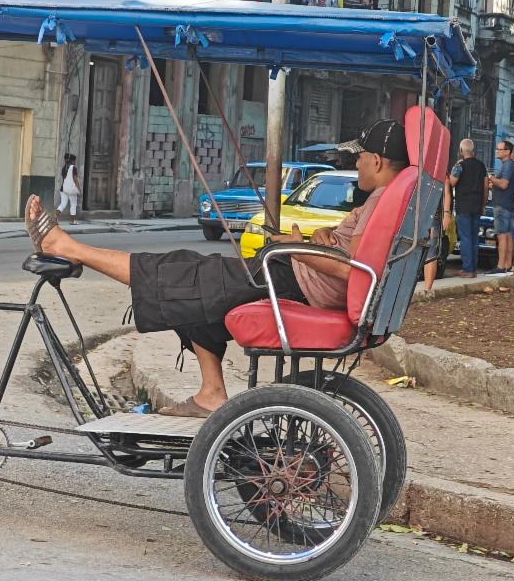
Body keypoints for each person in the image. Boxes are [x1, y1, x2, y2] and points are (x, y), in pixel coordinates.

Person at [23, 119, 410, 417]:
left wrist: (289, 246)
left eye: (359, 156)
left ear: (376, 161)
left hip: (292, 279)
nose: (354, 162)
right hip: (297, 273)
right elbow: (350, 253)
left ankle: (68, 247)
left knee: (175, 276)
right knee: (188, 275)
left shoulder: (381, 200)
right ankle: (211, 392)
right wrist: (321, 236)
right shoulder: (385, 196)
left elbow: (350, 268)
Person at [445, 139, 487, 278]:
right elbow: (486, 186)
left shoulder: (460, 166)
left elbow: (451, 182)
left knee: (465, 238)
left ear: (461, 151)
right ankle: (473, 268)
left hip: (463, 206)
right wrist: (483, 205)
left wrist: (451, 170)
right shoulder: (482, 166)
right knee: (474, 237)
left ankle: (467, 269)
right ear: (473, 151)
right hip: (476, 205)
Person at [486, 140, 514, 275]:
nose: (497, 151)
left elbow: (504, 184)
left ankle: (501, 265)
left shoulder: (508, 166)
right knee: (509, 235)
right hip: (508, 204)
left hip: (502, 205)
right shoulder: (509, 166)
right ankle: (508, 264)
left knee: (502, 235)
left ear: (507, 152)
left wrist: (491, 179)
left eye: (500, 149)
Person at [56, 153, 81, 224]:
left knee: (63, 204)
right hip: (71, 189)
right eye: (74, 160)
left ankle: (55, 218)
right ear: (72, 161)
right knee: (73, 204)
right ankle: (72, 221)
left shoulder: (64, 168)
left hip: (63, 189)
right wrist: (79, 189)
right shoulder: (73, 168)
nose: (75, 162)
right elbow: (75, 179)